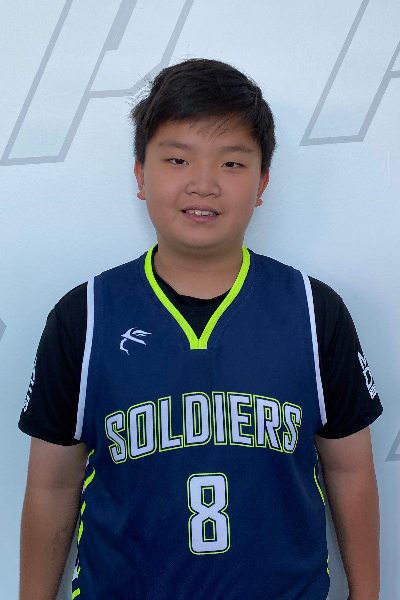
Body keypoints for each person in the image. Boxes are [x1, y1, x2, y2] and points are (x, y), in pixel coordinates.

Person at [18, 58, 382, 600]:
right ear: (141, 175)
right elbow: (53, 485)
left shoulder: (314, 311)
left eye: (232, 163)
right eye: (177, 159)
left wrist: (367, 594)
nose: (204, 184)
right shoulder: (84, 317)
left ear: (262, 182)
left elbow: (349, 471)